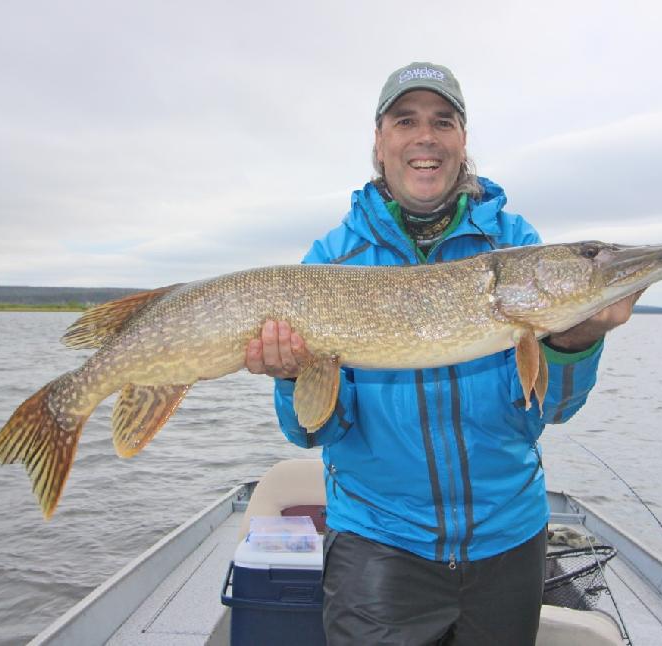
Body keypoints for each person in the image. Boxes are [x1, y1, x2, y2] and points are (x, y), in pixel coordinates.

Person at [245, 62, 641, 646]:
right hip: (379, 546)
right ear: (379, 144)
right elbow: (312, 430)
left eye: (444, 121)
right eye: (406, 121)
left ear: (462, 143)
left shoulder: (515, 244)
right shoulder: (332, 261)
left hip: (508, 537)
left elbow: (549, 412)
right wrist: (292, 373)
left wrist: (572, 341)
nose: (425, 136)